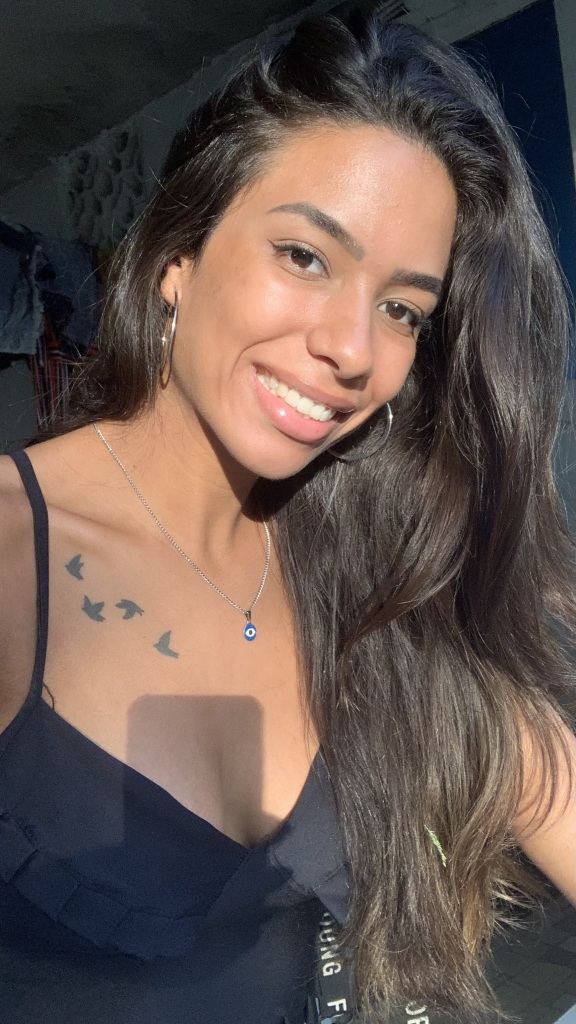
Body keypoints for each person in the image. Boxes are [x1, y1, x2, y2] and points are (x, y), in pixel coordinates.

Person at [0, 8, 575, 1024]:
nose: (354, 348)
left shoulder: (367, 559)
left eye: (402, 309)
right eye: (306, 256)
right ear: (178, 256)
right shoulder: (15, 560)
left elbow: (544, 778)